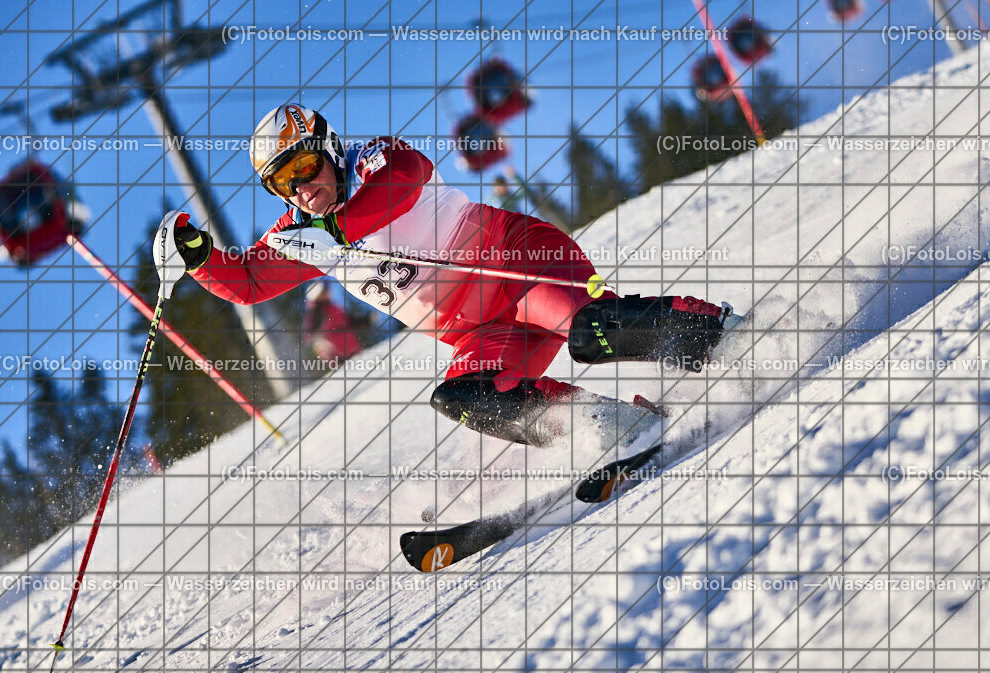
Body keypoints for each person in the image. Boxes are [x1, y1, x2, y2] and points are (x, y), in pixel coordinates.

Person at [155, 104, 730, 450]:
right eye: (285, 183)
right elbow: (249, 282)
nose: (303, 187)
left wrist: (336, 234)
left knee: (589, 333)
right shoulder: (300, 231)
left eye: (305, 166)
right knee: (466, 395)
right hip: (481, 331)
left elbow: (406, 180)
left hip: (520, 266)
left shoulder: (371, 159)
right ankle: (608, 427)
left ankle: (721, 338)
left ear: (327, 149)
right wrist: (199, 255)